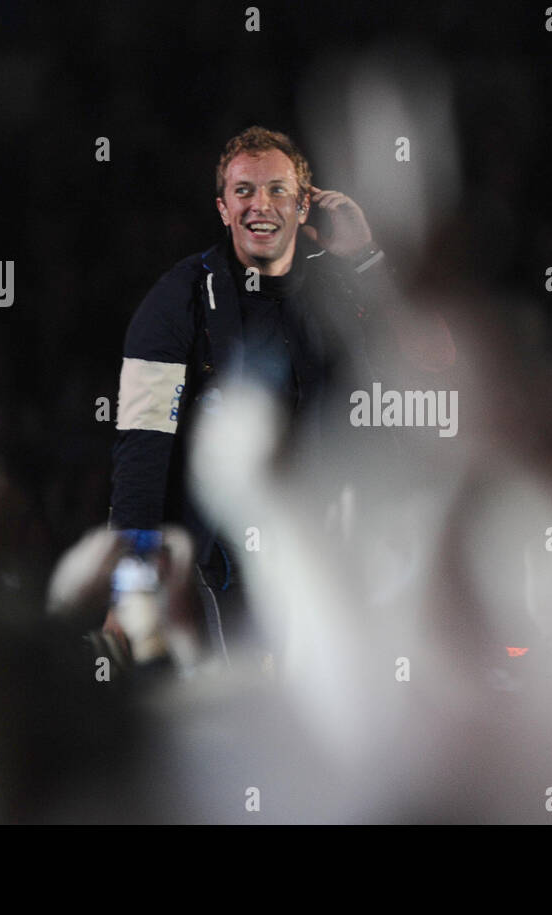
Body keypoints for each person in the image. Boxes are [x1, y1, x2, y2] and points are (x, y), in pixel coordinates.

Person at [107, 125, 449, 667]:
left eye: (277, 189)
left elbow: (428, 373)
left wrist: (364, 257)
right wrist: (129, 579)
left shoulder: (339, 288)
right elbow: (142, 440)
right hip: (233, 569)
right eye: (244, 191)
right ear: (222, 208)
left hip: (357, 551)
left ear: (304, 203)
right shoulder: (176, 304)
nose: (259, 205)